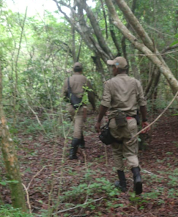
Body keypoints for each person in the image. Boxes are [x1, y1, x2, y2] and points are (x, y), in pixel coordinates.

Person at [95, 57, 150, 195]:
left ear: (117, 68)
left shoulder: (110, 83)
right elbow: (142, 103)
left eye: (113, 66)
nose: (111, 68)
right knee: (131, 151)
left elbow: (105, 104)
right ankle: (137, 177)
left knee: (117, 151)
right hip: (131, 122)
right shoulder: (135, 83)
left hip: (115, 123)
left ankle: (123, 183)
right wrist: (145, 120)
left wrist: (99, 121)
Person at [62, 62, 96, 160]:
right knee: (77, 129)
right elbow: (91, 95)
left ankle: (82, 144)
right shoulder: (85, 79)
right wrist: (93, 105)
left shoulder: (67, 80)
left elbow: (63, 95)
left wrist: (70, 102)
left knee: (77, 125)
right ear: (81, 70)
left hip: (70, 107)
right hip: (80, 108)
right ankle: (72, 153)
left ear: (73, 70)